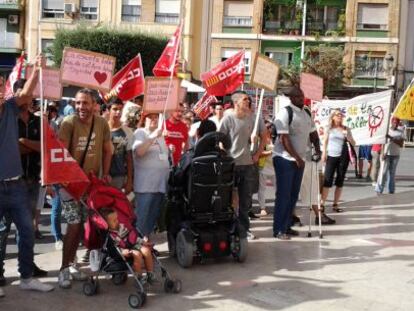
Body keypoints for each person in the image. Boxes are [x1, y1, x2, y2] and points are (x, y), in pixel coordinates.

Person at [0, 57, 54, 297]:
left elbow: (27, 92)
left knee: (27, 232)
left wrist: (37, 69)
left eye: (0, 86)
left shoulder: (11, 106)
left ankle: (26, 278)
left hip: (17, 184)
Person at [57, 88, 112, 289]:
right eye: (78, 103)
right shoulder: (68, 123)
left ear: (94, 105)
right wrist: (65, 179)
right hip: (69, 184)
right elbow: (60, 153)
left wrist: (105, 174)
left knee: (82, 227)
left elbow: (108, 151)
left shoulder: (102, 123)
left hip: (91, 185)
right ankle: (63, 270)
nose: (81, 107)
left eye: (85, 103)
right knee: (74, 225)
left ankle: (71, 265)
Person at [272, 86, 321, 240]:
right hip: (284, 159)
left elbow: (313, 133)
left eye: (302, 95)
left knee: (293, 196)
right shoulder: (285, 112)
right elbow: (284, 139)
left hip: (300, 160)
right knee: (284, 195)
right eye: (298, 96)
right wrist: (297, 158)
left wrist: (318, 149)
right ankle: (279, 229)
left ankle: (287, 226)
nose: (301, 98)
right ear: (291, 98)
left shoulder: (306, 112)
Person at [219, 91, 266, 240]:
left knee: (246, 200)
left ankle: (244, 229)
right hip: (231, 165)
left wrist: (257, 152)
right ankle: (230, 228)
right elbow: (220, 141)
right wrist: (224, 157)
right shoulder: (227, 119)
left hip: (247, 165)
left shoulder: (252, 119)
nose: (248, 102)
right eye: (245, 100)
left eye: (249, 100)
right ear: (236, 103)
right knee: (230, 200)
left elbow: (263, 136)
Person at [132, 113, 169, 237]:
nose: (154, 119)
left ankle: (145, 244)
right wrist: (153, 136)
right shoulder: (140, 132)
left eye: (156, 117)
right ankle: (137, 245)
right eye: (150, 117)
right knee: (142, 219)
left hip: (159, 185)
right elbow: (139, 151)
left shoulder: (160, 135)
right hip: (145, 186)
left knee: (151, 219)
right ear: (144, 119)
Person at [100, 208, 154, 281]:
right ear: (106, 223)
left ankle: (150, 275)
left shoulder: (122, 227)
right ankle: (139, 277)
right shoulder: (110, 235)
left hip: (132, 244)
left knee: (147, 250)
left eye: (117, 219)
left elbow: (132, 237)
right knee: (137, 254)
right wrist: (122, 251)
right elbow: (112, 248)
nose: (117, 222)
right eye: (113, 221)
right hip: (122, 250)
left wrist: (142, 241)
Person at [320, 109, 356, 213]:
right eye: (338, 115)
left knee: (340, 181)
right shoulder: (329, 128)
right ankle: (322, 203)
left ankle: (335, 204)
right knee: (327, 180)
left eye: (341, 115)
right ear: (333, 117)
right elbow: (325, 141)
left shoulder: (346, 129)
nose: (340, 116)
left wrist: (348, 137)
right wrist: (324, 153)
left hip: (343, 157)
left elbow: (353, 143)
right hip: (331, 156)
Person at [107, 97, 134, 194]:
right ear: (108, 110)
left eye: (120, 109)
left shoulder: (128, 131)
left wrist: (129, 180)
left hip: (119, 177)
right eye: (115, 109)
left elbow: (129, 158)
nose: (118, 112)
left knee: (116, 208)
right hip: (101, 177)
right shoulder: (101, 128)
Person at [375, 117, 405, 194]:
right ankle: (379, 189)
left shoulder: (400, 132)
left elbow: (401, 144)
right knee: (383, 172)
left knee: (392, 173)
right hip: (386, 154)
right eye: (394, 122)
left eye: (397, 123)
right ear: (391, 122)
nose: (395, 124)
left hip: (395, 155)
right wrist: (382, 153)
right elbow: (383, 143)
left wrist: (392, 138)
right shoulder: (387, 131)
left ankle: (391, 190)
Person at [256, 120, 274, 216]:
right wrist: (270, 152)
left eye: (270, 127)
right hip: (263, 168)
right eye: (268, 127)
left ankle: (279, 206)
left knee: (279, 188)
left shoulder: (274, 138)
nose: (270, 129)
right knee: (262, 189)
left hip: (274, 168)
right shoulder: (259, 139)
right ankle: (262, 207)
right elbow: (258, 153)